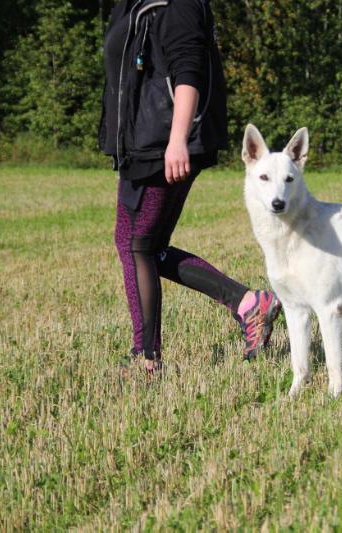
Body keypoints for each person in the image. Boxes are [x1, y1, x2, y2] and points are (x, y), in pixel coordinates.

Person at [98, 0, 280, 375]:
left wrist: (177, 139)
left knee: (138, 245)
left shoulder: (176, 3)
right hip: (141, 141)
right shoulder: (131, 4)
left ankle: (145, 356)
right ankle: (250, 303)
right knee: (144, 246)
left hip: (162, 142)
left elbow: (188, 70)